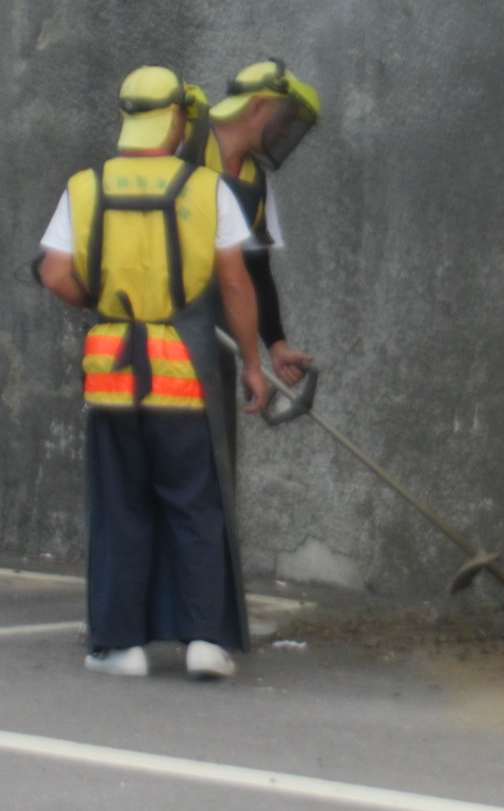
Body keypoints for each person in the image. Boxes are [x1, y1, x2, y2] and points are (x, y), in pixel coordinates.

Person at [36, 66, 270, 680]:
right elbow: (235, 283)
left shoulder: (84, 186)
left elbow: (54, 273)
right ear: (178, 120)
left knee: (120, 506)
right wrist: (253, 363)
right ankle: (204, 641)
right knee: (195, 505)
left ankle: (121, 647)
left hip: (112, 371)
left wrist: (102, 302)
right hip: (183, 372)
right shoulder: (208, 189)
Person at [179, 59, 322, 389]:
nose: (285, 132)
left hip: (213, 340)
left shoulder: (256, 184)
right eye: (285, 119)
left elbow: (256, 270)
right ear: (258, 105)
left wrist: (276, 344)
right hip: (159, 329)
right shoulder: (187, 144)